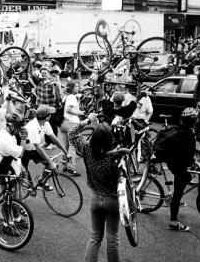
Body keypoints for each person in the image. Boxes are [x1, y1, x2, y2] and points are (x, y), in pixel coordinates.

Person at [68, 114, 130, 262]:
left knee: (95, 236)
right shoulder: (115, 159)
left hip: (95, 198)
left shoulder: (86, 149)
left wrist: (88, 120)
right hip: (112, 200)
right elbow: (124, 178)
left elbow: (72, 133)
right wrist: (121, 153)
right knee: (112, 238)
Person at [21, 105, 67, 183]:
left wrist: (66, 152)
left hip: (33, 149)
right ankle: (28, 186)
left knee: (51, 166)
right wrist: (50, 162)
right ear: (47, 117)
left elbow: (54, 138)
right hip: (23, 151)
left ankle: (41, 182)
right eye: (50, 114)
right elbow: (39, 147)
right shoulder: (32, 126)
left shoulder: (45, 123)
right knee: (23, 173)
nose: (51, 115)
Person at [59, 80, 83, 176]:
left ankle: (64, 165)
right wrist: (80, 113)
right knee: (72, 147)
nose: (78, 88)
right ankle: (71, 168)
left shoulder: (66, 96)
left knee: (65, 146)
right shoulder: (72, 97)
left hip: (64, 123)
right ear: (72, 88)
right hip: (72, 124)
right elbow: (69, 110)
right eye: (76, 86)